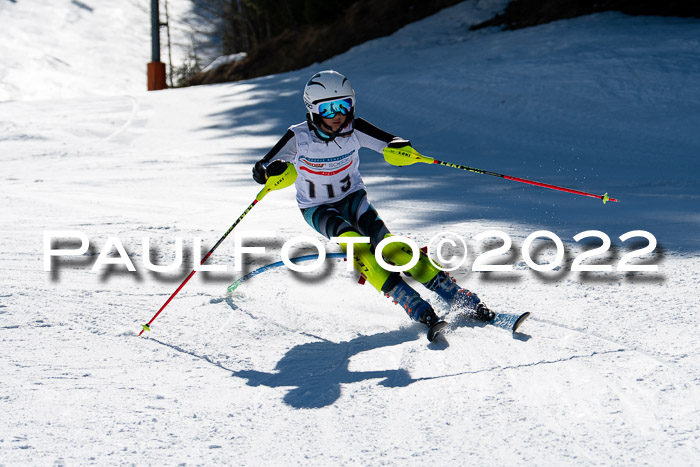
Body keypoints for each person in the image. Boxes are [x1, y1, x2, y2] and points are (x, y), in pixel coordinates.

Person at [252, 70, 494, 341]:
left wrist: (401, 148)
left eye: (343, 106)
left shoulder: (355, 130)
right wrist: (265, 171)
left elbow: (389, 142)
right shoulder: (298, 137)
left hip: (353, 200)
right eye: (328, 109)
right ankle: (413, 304)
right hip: (317, 208)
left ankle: (458, 297)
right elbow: (264, 165)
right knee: (358, 246)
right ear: (313, 110)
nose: (337, 115)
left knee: (392, 247)